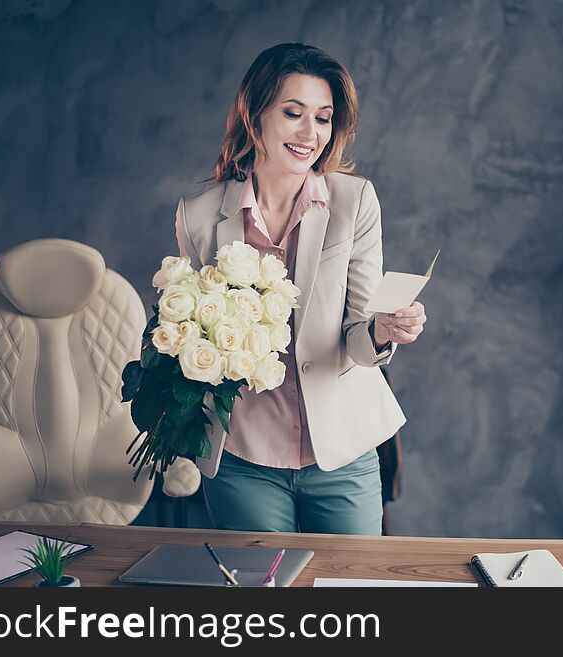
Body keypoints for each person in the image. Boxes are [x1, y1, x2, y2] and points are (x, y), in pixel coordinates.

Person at [173, 43, 426, 535]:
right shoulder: (199, 213)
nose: (311, 133)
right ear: (255, 114)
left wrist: (381, 330)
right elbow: (189, 333)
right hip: (242, 457)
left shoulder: (355, 202)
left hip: (341, 454)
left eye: (324, 118)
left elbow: (356, 331)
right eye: (294, 113)